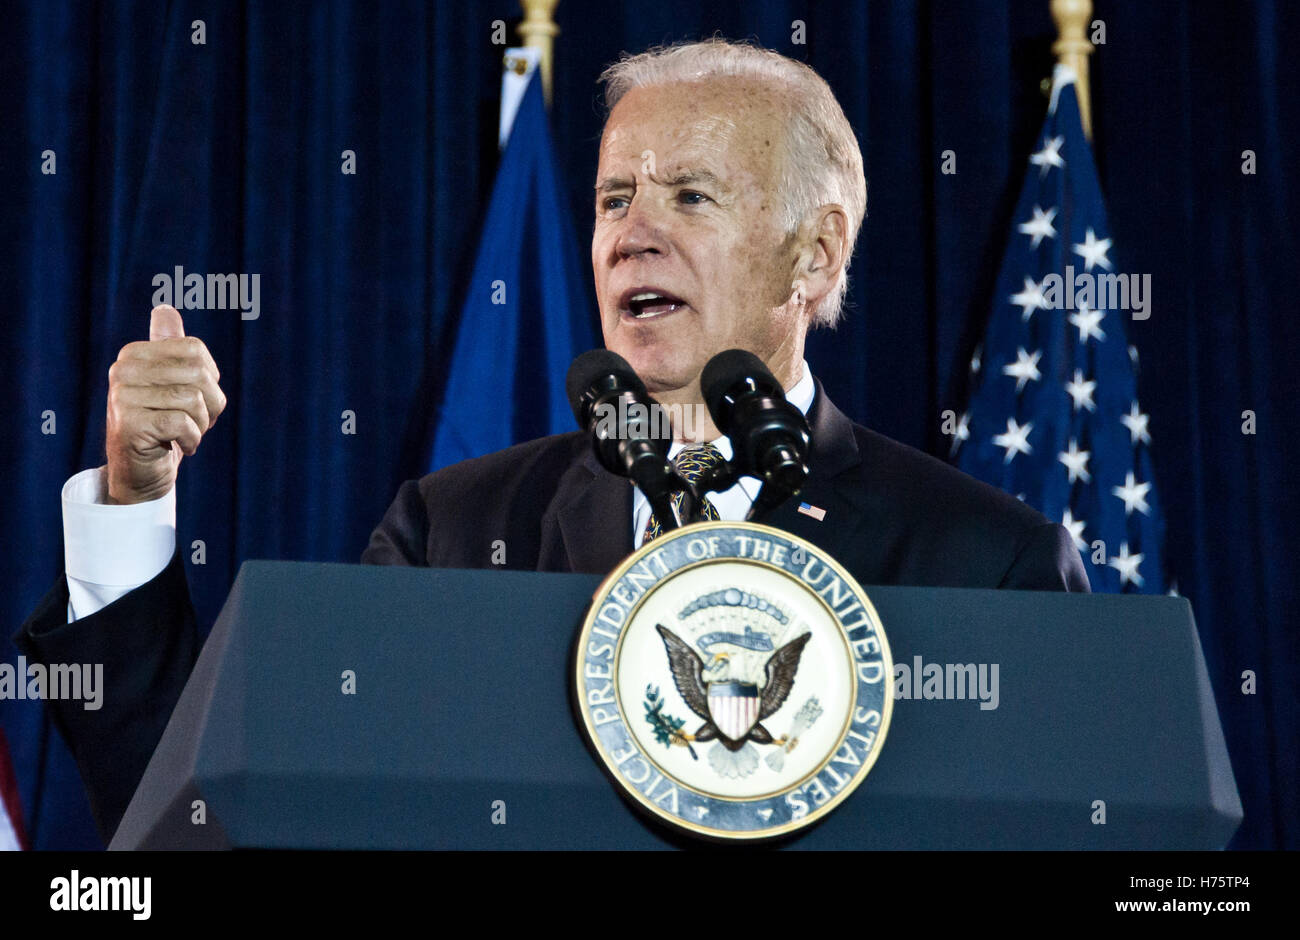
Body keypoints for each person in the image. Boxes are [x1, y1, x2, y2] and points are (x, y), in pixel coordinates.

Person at [15, 40, 1088, 843]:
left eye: (690, 195)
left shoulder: (985, 561)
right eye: (613, 196)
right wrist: (134, 495)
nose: (631, 232)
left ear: (814, 251)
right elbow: (208, 807)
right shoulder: (454, 528)